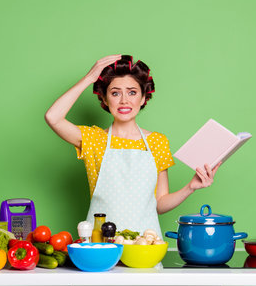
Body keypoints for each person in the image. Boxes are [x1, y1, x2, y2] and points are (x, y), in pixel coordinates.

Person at [45, 54, 221, 236]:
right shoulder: (93, 139)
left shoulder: (157, 142)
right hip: (101, 245)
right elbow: (53, 117)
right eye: (115, 93)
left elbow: (159, 203)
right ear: (104, 99)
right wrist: (89, 78)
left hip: (145, 244)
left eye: (132, 92)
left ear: (143, 98)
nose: (124, 100)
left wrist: (190, 187)